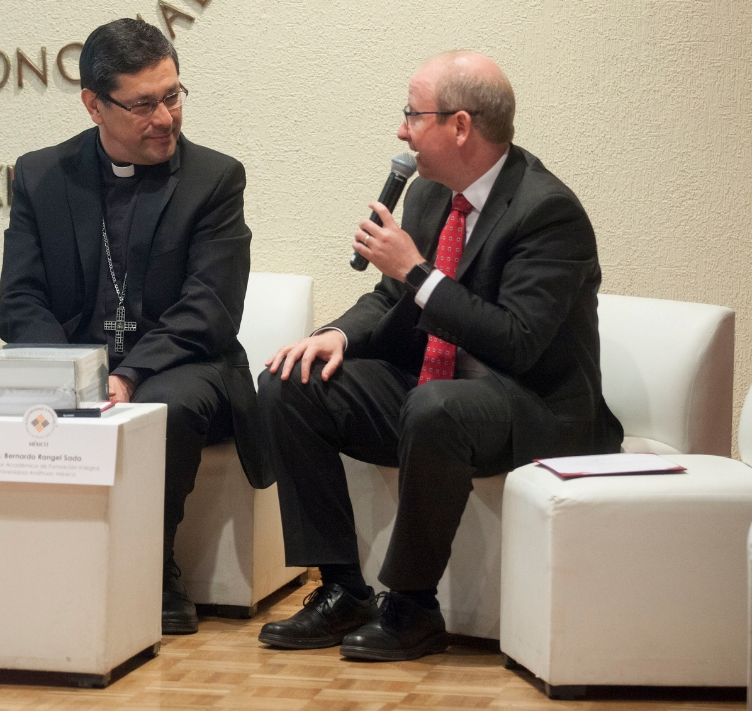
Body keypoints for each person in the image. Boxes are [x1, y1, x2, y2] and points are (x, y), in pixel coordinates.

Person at [257, 51, 623, 661]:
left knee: (436, 408)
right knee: (289, 381)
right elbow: (389, 296)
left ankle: (411, 606)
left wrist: (416, 272)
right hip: (435, 388)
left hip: (532, 407)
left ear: (459, 126)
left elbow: (517, 340)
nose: (401, 130)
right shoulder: (429, 196)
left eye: (411, 114)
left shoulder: (548, 212)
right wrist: (339, 336)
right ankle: (343, 589)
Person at [0, 18, 258, 635]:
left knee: (165, 404)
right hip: (79, 366)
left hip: (188, 368)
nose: (165, 118)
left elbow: (211, 307)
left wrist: (129, 375)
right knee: (11, 386)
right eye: (143, 104)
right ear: (94, 105)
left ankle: (154, 569)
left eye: (172, 96)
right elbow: (19, 300)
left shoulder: (215, 179)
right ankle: (33, 565)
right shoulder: (41, 175)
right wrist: (73, 373)